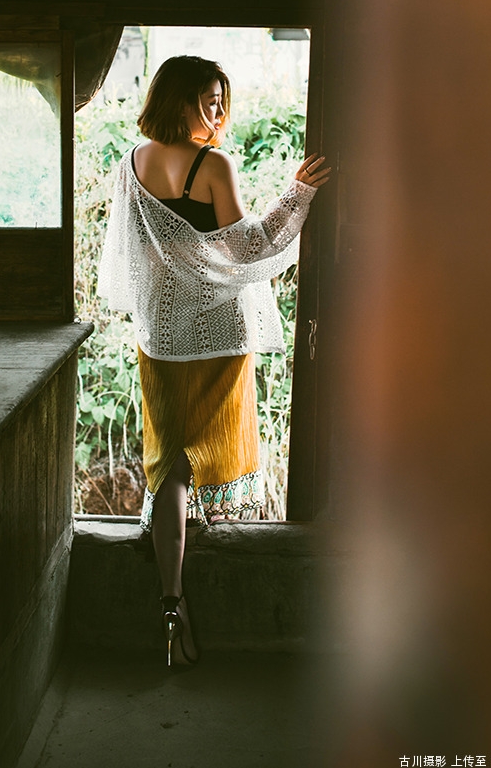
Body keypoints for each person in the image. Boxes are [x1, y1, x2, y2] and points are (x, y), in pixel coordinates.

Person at [97, 54, 329, 667]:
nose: (219, 112)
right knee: (198, 458)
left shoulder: (133, 163)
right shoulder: (213, 165)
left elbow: (135, 257)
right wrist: (298, 194)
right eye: (208, 100)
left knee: (170, 464)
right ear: (177, 100)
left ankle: (170, 604)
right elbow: (249, 247)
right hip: (218, 339)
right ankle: (180, 607)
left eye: (223, 101)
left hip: (160, 337)